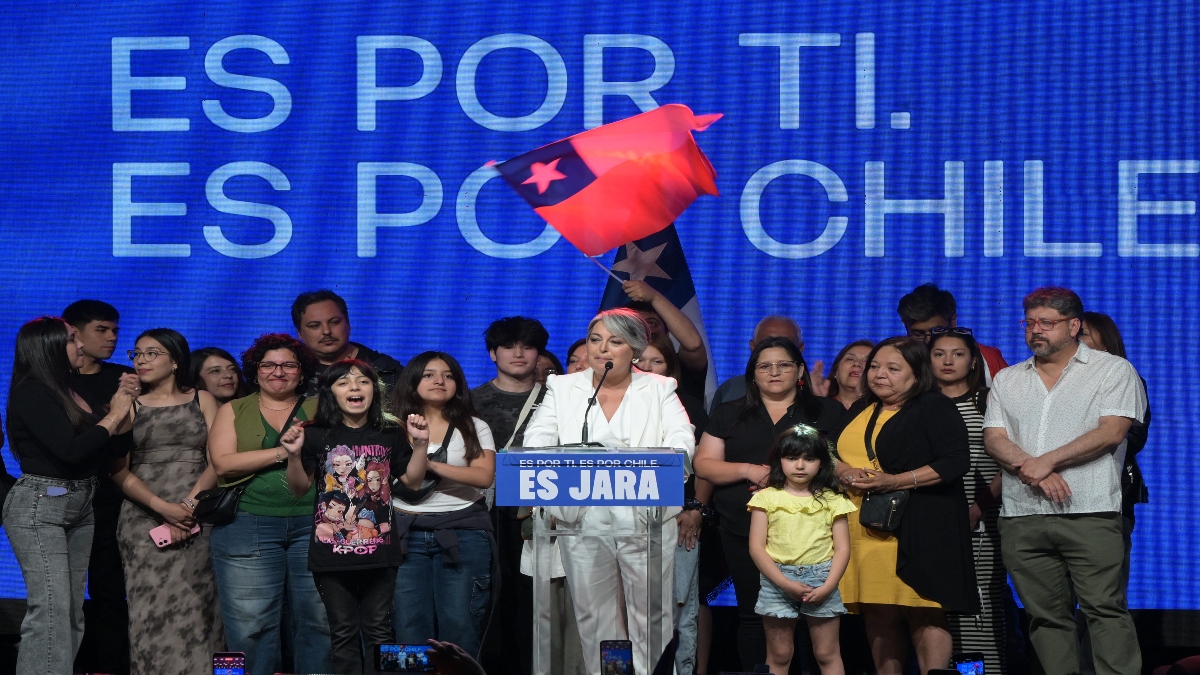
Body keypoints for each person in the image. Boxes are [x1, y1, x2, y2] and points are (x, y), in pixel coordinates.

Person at [523, 308, 696, 675]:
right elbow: (537, 440)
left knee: (650, 613)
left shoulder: (659, 388)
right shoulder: (564, 388)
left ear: (634, 350)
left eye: (615, 341)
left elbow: (682, 439)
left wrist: (671, 459)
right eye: (596, 340)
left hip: (645, 517)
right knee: (594, 614)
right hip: (581, 519)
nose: (603, 349)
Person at [983, 288, 1146, 675]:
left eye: (1047, 323)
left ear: (1074, 326)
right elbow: (994, 438)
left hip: (1088, 510)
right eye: (1030, 323)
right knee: (1045, 618)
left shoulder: (1112, 370)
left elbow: (1111, 433)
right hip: (1022, 513)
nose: (1036, 331)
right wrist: (1034, 468)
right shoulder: (1008, 379)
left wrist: (1048, 461)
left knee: (1104, 611)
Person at [693, 336, 845, 670]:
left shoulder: (827, 411)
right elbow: (704, 465)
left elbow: (839, 464)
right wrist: (749, 470)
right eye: (764, 365)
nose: (774, 372)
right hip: (743, 529)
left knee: (814, 617)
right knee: (753, 613)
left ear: (800, 369)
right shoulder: (728, 413)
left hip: (813, 537)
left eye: (784, 364)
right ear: (752, 373)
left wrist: (784, 479)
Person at [836, 336, 978, 675]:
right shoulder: (861, 408)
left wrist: (894, 481)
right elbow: (832, 453)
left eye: (892, 368)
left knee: (923, 609)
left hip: (919, 527)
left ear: (917, 374)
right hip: (864, 527)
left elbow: (955, 461)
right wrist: (843, 471)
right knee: (878, 611)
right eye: (875, 366)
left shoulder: (933, 406)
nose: (879, 374)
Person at [4, 316, 136, 675]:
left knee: (72, 608)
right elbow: (70, 451)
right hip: (41, 506)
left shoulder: (73, 389)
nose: (81, 346)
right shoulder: (32, 390)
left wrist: (122, 412)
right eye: (72, 340)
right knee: (51, 608)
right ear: (49, 348)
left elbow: (110, 448)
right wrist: (113, 418)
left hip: (83, 504)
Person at [281, 360, 428, 674]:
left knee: (380, 630)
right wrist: (293, 455)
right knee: (343, 632)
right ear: (330, 391)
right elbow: (298, 488)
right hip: (331, 553)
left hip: (381, 551)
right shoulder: (315, 432)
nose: (355, 388)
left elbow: (412, 481)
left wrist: (422, 444)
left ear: (375, 390)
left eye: (363, 381)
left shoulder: (390, 430)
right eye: (344, 382)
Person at [207, 333, 331, 675]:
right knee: (249, 628)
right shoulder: (233, 409)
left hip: (318, 524)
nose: (278, 371)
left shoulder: (322, 407)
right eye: (269, 364)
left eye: (288, 364)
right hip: (247, 525)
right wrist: (282, 452)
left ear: (302, 372)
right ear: (255, 370)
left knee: (320, 622)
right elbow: (223, 464)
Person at [109, 328, 224, 674]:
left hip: (197, 516)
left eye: (151, 353)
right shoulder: (129, 406)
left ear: (175, 360)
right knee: (149, 610)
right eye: (137, 354)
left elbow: (217, 459)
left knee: (203, 606)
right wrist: (163, 509)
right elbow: (118, 470)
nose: (141, 360)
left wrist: (187, 507)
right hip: (143, 517)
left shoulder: (202, 399)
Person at [389, 352, 497, 658]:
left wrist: (429, 464)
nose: (440, 380)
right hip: (404, 531)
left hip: (463, 531)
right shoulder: (392, 426)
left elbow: (483, 476)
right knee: (407, 627)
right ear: (412, 381)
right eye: (429, 374)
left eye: (448, 375)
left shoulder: (474, 425)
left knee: (460, 625)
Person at [469, 317, 552, 675]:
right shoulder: (470, 401)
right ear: (493, 353)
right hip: (485, 512)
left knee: (534, 599)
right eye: (508, 346)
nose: (518, 354)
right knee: (489, 597)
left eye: (528, 346)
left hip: (541, 512)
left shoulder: (557, 400)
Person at [928, 328, 1009, 673]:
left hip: (983, 521)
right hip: (930, 522)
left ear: (973, 360)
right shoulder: (919, 406)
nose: (947, 361)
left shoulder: (992, 402)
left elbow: (1013, 464)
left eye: (958, 354)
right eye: (939, 353)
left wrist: (978, 507)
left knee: (982, 611)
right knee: (935, 612)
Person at [61, 299, 134, 675]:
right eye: (102, 330)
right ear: (73, 333)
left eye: (115, 330)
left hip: (111, 499)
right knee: (62, 594)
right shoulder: (51, 381)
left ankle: (111, 665)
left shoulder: (123, 378)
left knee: (110, 589)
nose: (111, 338)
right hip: (61, 499)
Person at [748, 424, 855, 675]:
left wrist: (828, 586)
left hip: (822, 578)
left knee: (827, 653)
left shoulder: (834, 499)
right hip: (777, 580)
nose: (800, 465)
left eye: (809, 459)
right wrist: (785, 583)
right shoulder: (765, 498)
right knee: (779, 654)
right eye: (792, 458)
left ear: (821, 463)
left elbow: (842, 549)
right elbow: (756, 547)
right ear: (780, 460)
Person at [637, 332, 710, 675]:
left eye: (658, 361)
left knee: (681, 610)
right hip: (621, 524)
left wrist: (695, 507)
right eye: (641, 360)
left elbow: (702, 464)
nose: (647, 367)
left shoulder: (684, 407)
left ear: (671, 369)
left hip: (677, 520)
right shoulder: (605, 405)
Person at [292, 290, 403, 395]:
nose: (326, 331)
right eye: (315, 326)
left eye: (334, 322)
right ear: (299, 333)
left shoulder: (386, 370)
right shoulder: (287, 373)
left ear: (348, 324)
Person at [896, 284, 1007, 384]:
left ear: (953, 321)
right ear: (906, 326)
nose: (928, 340)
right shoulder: (894, 357)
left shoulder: (988, 359)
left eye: (937, 331)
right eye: (918, 334)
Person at [622, 279, 709, 401]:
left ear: (667, 332)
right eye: (635, 324)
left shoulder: (681, 365)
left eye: (651, 323)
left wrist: (654, 298)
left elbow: (693, 345)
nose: (645, 330)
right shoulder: (612, 367)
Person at [709, 315, 820, 410]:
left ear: (800, 348)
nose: (775, 349)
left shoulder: (817, 392)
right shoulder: (731, 389)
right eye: (767, 342)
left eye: (785, 343)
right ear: (752, 346)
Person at [826, 340, 873, 410]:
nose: (857, 363)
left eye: (867, 361)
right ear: (835, 372)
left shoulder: (884, 413)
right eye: (850, 359)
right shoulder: (821, 407)